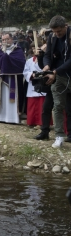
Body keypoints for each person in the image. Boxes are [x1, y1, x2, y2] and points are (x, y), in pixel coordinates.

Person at [43, 16, 71, 148]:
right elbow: (47, 54)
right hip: (58, 75)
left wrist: (55, 71)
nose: (57, 34)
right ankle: (59, 135)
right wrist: (47, 66)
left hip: (64, 72)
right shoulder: (52, 37)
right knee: (58, 105)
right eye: (54, 31)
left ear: (65, 26)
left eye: (59, 31)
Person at [0, 33, 25, 124]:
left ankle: (12, 117)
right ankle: (0, 116)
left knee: (11, 98)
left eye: (7, 39)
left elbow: (21, 63)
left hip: (13, 78)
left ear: (12, 39)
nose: (5, 41)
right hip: (0, 79)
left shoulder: (18, 50)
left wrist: (6, 57)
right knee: (2, 97)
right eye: (3, 40)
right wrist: (4, 55)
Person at [24, 45, 48, 128]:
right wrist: (31, 75)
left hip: (41, 82)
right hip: (32, 84)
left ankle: (41, 122)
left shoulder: (45, 59)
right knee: (32, 104)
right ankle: (31, 121)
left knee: (41, 104)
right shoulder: (29, 60)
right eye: (34, 48)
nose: (35, 50)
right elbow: (25, 71)